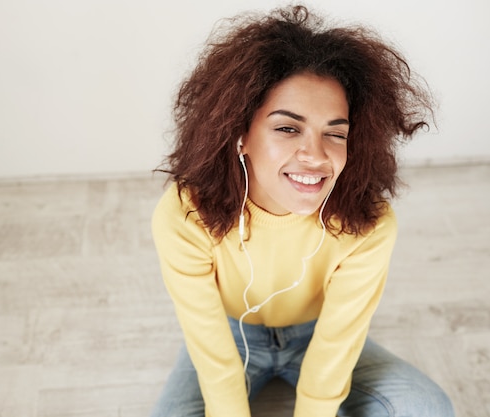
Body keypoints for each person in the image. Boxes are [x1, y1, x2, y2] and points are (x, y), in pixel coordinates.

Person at [150, 4, 454, 417]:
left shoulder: (368, 222)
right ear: (240, 135)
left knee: (427, 409)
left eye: (335, 133)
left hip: (319, 333)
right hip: (230, 336)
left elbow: (336, 341)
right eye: (288, 128)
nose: (315, 155)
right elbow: (215, 360)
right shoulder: (186, 213)